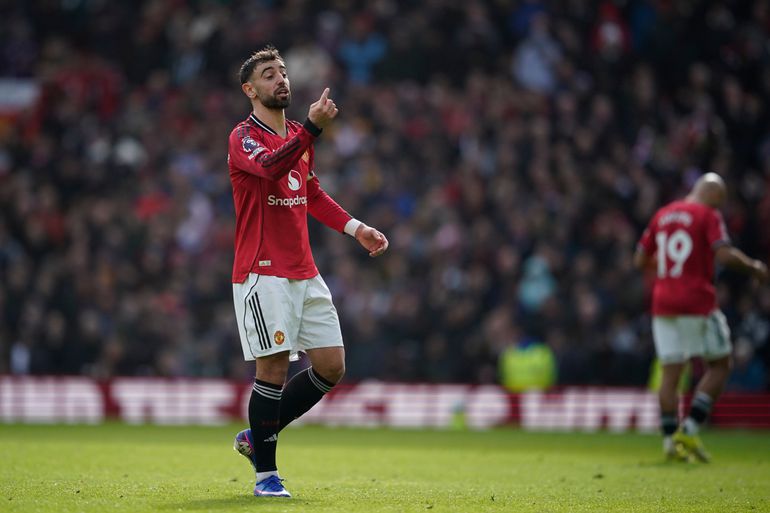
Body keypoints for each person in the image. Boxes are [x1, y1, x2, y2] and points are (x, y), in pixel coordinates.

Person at [227, 45, 389, 498]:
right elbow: (271, 169)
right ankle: (266, 477)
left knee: (332, 366)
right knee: (274, 367)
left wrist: (356, 228)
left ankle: (256, 436)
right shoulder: (243, 137)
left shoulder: (298, 135)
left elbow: (310, 192)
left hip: (304, 271)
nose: (280, 79)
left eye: (282, 72)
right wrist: (314, 130)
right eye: (268, 74)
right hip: (262, 272)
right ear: (250, 90)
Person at [633, 173, 768, 462]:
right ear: (712, 194)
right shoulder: (707, 215)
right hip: (696, 301)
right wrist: (754, 267)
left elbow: (639, 259)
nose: (720, 207)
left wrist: (668, 270)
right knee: (720, 364)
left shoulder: (662, 214)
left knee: (670, 373)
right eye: (720, 200)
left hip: (663, 303)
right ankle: (690, 429)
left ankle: (669, 442)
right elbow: (724, 255)